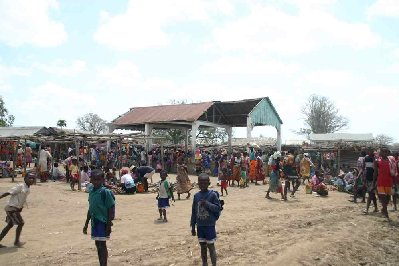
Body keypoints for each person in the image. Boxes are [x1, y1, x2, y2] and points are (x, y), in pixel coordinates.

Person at [83, 169, 115, 266]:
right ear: (91, 180)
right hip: (94, 221)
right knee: (98, 244)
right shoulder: (91, 191)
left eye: (98, 180)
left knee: (102, 245)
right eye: (94, 179)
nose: (96, 182)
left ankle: (103, 264)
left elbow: (110, 208)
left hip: (103, 222)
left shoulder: (105, 192)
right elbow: (91, 208)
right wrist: (86, 224)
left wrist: (109, 225)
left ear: (102, 180)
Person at [191, 173, 221, 266]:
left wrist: (207, 204)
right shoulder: (196, 196)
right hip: (200, 226)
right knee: (202, 246)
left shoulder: (212, 195)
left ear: (208, 183)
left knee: (211, 246)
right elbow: (194, 212)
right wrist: (192, 226)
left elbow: (217, 208)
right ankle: (204, 263)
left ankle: (214, 264)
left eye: (205, 183)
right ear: (198, 184)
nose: (202, 185)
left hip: (209, 226)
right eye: (201, 183)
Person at [0, 174, 35, 248]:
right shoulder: (20, 186)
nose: (31, 180)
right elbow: (9, 192)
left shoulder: (28, 188)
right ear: (25, 179)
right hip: (12, 208)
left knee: (10, 225)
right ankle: (16, 242)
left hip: (15, 209)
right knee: (21, 223)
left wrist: (21, 207)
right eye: (29, 178)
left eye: (33, 178)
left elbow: (22, 199)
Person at [374, 147, 395, 219]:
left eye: (386, 151)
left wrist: (394, 182)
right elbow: (375, 173)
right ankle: (387, 215)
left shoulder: (391, 161)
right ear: (380, 152)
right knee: (383, 199)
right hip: (380, 182)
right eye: (383, 151)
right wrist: (374, 182)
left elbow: (394, 172)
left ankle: (383, 209)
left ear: (388, 153)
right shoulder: (377, 161)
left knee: (387, 199)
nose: (384, 153)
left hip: (389, 182)